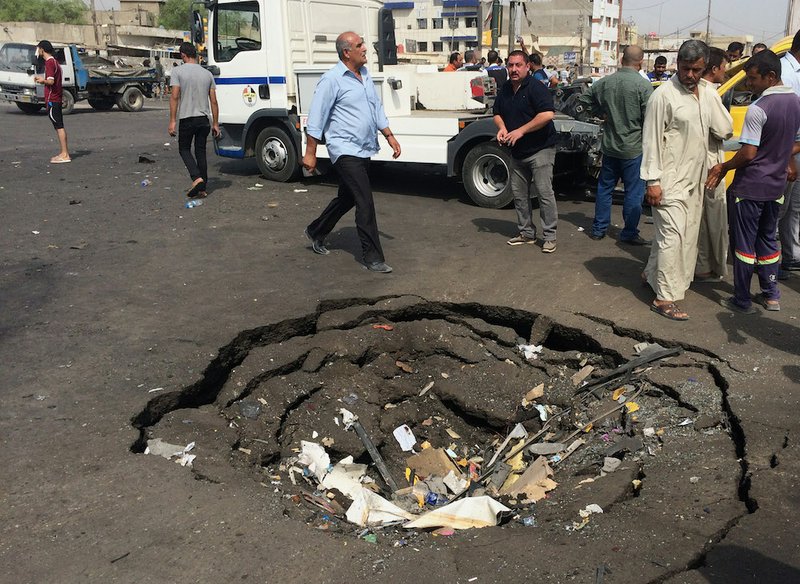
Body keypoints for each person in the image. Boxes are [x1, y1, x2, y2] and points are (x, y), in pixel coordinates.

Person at [641, 40, 733, 320]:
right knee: (673, 238)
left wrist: (708, 94)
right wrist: (652, 181)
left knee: (681, 236)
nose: (690, 75)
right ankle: (664, 298)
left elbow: (724, 129)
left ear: (705, 68)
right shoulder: (664, 96)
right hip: (668, 180)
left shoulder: (704, 93)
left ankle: (651, 274)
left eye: (696, 70)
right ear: (676, 65)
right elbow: (651, 141)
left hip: (694, 180)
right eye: (685, 68)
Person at [706, 50, 800, 313]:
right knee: (769, 239)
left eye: (753, 78)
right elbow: (795, 143)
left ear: (771, 77)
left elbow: (748, 153)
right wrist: (782, 157)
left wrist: (724, 166)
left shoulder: (759, 109)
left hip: (751, 187)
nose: (749, 84)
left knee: (745, 244)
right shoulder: (795, 102)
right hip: (776, 186)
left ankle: (742, 298)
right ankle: (771, 295)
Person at [303, 31, 401, 274]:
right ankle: (373, 257)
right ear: (347, 52)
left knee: (348, 197)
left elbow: (375, 108)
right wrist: (310, 152)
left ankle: (316, 230)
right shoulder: (332, 80)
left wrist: (389, 135)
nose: (365, 48)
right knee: (364, 200)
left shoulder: (364, 75)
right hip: (344, 149)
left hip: (364, 146)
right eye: (360, 45)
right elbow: (316, 117)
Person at [578, 45, 653, 244]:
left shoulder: (605, 82)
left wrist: (601, 113)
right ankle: (628, 233)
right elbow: (651, 119)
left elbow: (584, 100)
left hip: (610, 147)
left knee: (604, 189)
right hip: (634, 149)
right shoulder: (643, 86)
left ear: (621, 60)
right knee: (633, 193)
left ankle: (599, 229)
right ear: (641, 62)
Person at [493, 50, 559, 253]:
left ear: (527, 66)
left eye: (518, 65)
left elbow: (548, 114)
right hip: (517, 152)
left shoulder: (536, 87)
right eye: (510, 65)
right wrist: (502, 128)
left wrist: (521, 131)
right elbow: (497, 113)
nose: (513, 69)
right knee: (519, 194)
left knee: (544, 193)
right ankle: (526, 233)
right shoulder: (505, 89)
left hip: (540, 149)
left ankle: (550, 236)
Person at [695, 47, 734, 282]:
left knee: (702, 216)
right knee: (711, 215)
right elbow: (724, 129)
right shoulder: (708, 93)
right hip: (709, 162)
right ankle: (703, 266)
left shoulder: (699, 91)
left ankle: (702, 264)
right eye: (724, 68)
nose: (726, 72)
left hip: (701, 160)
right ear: (714, 69)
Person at [168, 42, 220, 199]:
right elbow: (214, 101)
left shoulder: (177, 71)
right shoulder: (207, 74)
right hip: (204, 119)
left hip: (187, 118)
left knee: (184, 149)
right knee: (200, 152)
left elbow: (175, 96)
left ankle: (196, 178)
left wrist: (172, 121)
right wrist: (216, 123)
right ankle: (202, 188)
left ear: (183, 55)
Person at [778, 30, 800, 275]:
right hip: (789, 150)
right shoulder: (785, 72)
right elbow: (785, 122)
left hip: (797, 148)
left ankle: (790, 254)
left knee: (794, 207)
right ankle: (769, 259)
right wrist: (789, 157)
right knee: (779, 207)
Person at [33, 40, 70, 164]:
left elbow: (51, 81)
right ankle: (63, 153)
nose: (37, 51)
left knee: (59, 126)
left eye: (38, 49)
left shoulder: (50, 63)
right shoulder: (55, 62)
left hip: (53, 99)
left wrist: (41, 80)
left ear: (42, 49)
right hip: (55, 98)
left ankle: (65, 154)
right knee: (58, 125)